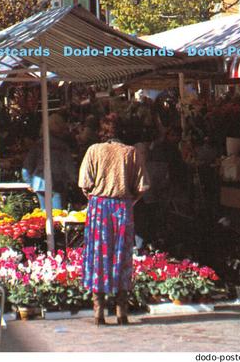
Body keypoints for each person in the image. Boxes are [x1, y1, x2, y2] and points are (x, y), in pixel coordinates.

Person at [78, 115, 150, 325]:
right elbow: (142, 186)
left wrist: (95, 198)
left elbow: (84, 184)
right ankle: (121, 311)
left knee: (98, 256)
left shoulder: (94, 150)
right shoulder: (131, 152)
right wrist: (130, 202)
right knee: (121, 254)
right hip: (122, 207)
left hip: (99, 207)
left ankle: (99, 311)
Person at [22, 113, 76, 209]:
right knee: (57, 214)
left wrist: (29, 181)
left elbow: (27, 166)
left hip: (39, 182)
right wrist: (73, 181)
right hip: (57, 182)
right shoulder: (62, 147)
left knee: (44, 213)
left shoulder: (38, 145)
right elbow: (69, 167)